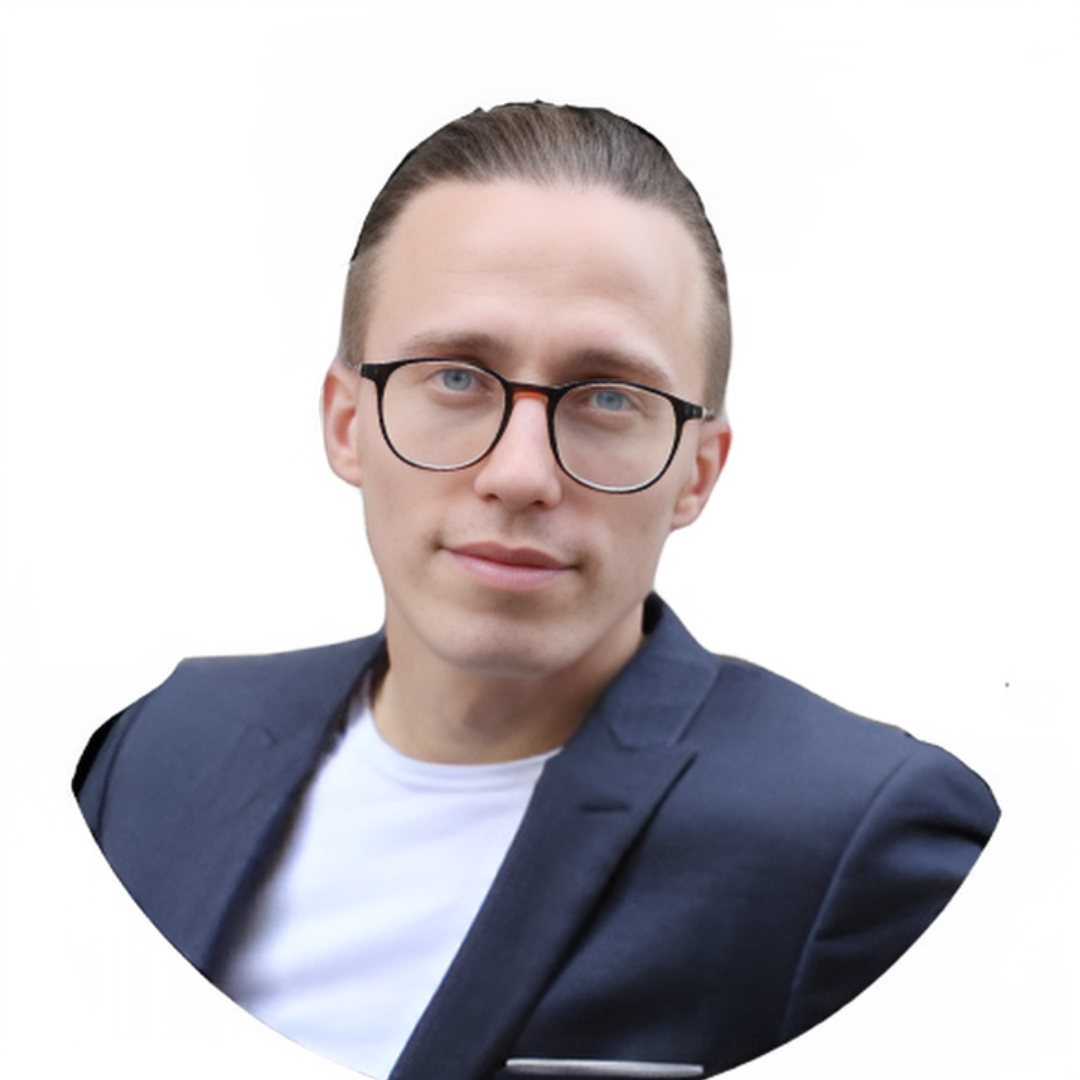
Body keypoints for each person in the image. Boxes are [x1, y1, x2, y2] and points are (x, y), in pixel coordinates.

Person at [73, 102, 999, 1080]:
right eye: (455, 377)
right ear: (348, 423)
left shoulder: (858, 838)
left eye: (609, 397)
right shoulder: (158, 749)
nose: (520, 474)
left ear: (697, 471)